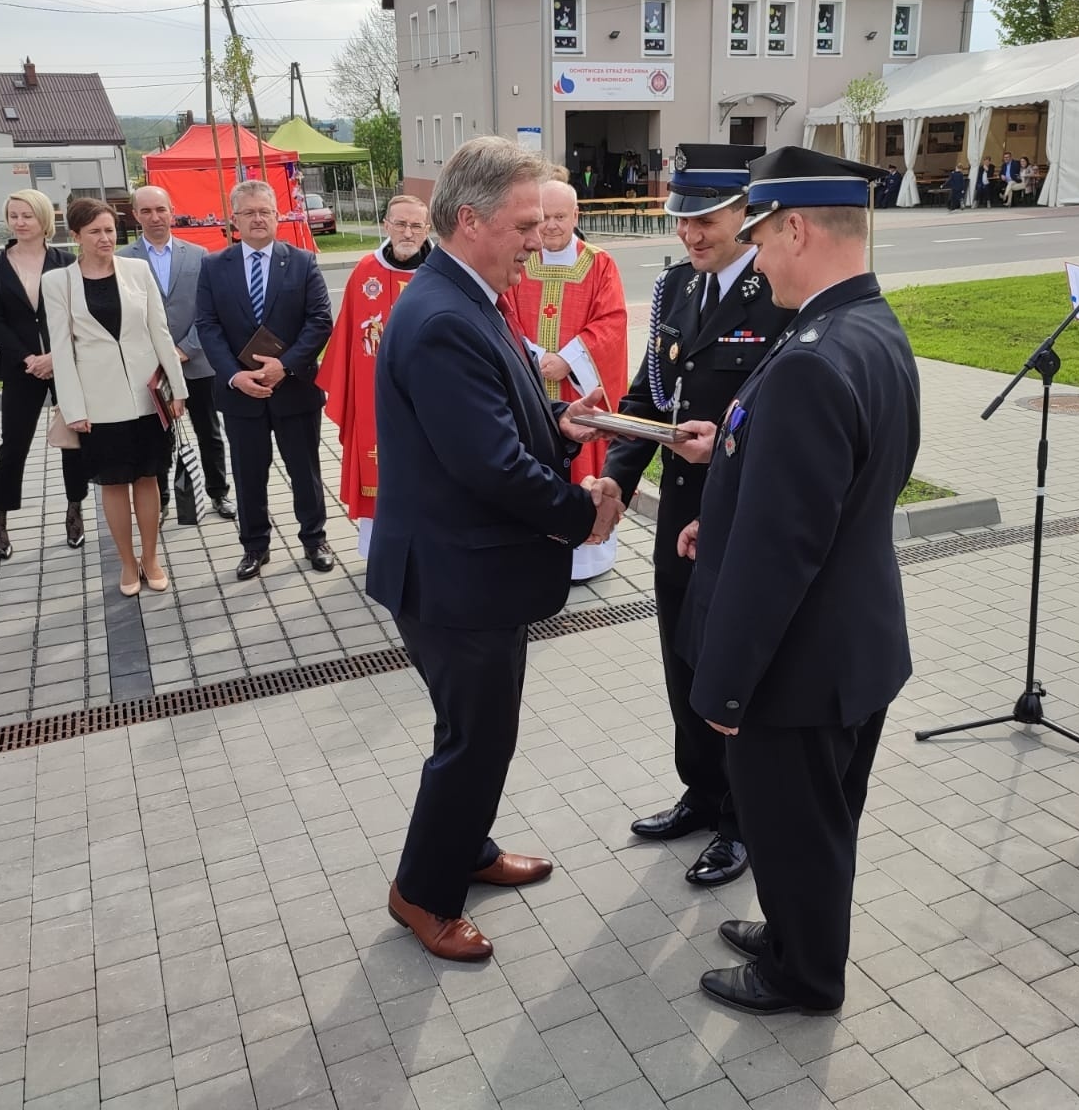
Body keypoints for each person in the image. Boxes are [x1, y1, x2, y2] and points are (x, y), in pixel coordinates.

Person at [674, 146, 919, 1016]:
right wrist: (729, 499)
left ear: (798, 228)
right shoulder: (867, 327)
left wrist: (725, 687)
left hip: (799, 665)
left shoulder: (814, 354)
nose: (757, 256)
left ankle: (804, 975)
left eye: (762, 238)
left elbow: (786, 548)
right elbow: (839, 489)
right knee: (810, 824)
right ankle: (791, 932)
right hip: (851, 640)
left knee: (800, 828)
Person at [370, 136, 617, 962]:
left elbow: (500, 421)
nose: (537, 238)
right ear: (470, 220)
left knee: (482, 731)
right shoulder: (443, 314)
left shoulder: (464, 294)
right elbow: (488, 465)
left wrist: (561, 422)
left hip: (471, 571)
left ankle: (464, 849)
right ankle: (423, 893)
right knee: (473, 738)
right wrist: (582, 514)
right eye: (523, 223)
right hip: (452, 576)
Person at [594, 142, 784, 889]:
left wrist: (730, 450)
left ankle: (741, 820)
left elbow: (787, 415)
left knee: (734, 671)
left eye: (707, 219)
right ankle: (701, 793)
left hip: (739, 517)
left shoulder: (777, 294)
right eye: (682, 219)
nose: (691, 234)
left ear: (750, 213)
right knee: (683, 660)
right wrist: (615, 478)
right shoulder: (676, 288)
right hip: (677, 513)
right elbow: (647, 398)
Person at [46, 199, 186, 597]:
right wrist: (73, 408)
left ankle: (152, 557)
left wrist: (177, 389)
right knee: (113, 484)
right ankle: (127, 562)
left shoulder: (137, 271)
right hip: (98, 402)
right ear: (75, 237)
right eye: (95, 232)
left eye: (110, 230)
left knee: (147, 478)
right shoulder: (58, 283)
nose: (105, 238)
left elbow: (161, 332)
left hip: (147, 398)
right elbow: (61, 350)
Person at [195, 180, 334, 582]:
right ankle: (254, 546)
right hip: (241, 393)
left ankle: (315, 539)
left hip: (294, 389)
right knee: (248, 474)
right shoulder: (212, 265)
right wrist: (235, 375)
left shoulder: (303, 262)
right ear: (234, 220)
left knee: (304, 471)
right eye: (248, 213)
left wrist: (284, 365)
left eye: (265, 212)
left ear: (277, 216)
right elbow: (207, 325)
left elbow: (319, 321)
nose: (258, 219)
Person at [503, 179, 627, 580]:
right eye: (546, 217)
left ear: (576, 215)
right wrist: (536, 358)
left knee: (584, 471)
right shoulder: (523, 257)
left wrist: (568, 360)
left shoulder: (599, 263)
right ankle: (538, 552)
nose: (552, 226)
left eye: (561, 216)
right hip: (533, 388)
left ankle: (586, 559)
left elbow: (612, 324)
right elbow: (505, 312)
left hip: (578, 392)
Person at [316, 195, 432, 558]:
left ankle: (428, 550)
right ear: (386, 225)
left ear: (427, 229)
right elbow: (348, 338)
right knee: (377, 467)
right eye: (400, 223)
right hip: (374, 398)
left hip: (429, 396)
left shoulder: (441, 271)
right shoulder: (365, 271)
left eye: (416, 225)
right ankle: (380, 553)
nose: (408, 232)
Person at [0, 190, 90, 559]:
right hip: (20, 365)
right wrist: (29, 357)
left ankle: (75, 511)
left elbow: (78, 314)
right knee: (13, 446)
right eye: (13, 215)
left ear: (44, 219)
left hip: (64, 364)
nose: (19, 222)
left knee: (73, 439)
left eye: (27, 215)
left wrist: (55, 358)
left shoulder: (65, 260)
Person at [120, 186, 236, 522]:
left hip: (196, 361)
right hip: (150, 366)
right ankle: (161, 498)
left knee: (209, 431)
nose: (154, 217)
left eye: (160, 209)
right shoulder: (123, 260)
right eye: (146, 211)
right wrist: (158, 353)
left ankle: (218, 492)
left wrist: (185, 348)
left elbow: (211, 311)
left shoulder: (199, 255)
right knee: (156, 435)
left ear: (172, 211)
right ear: (135, 215)